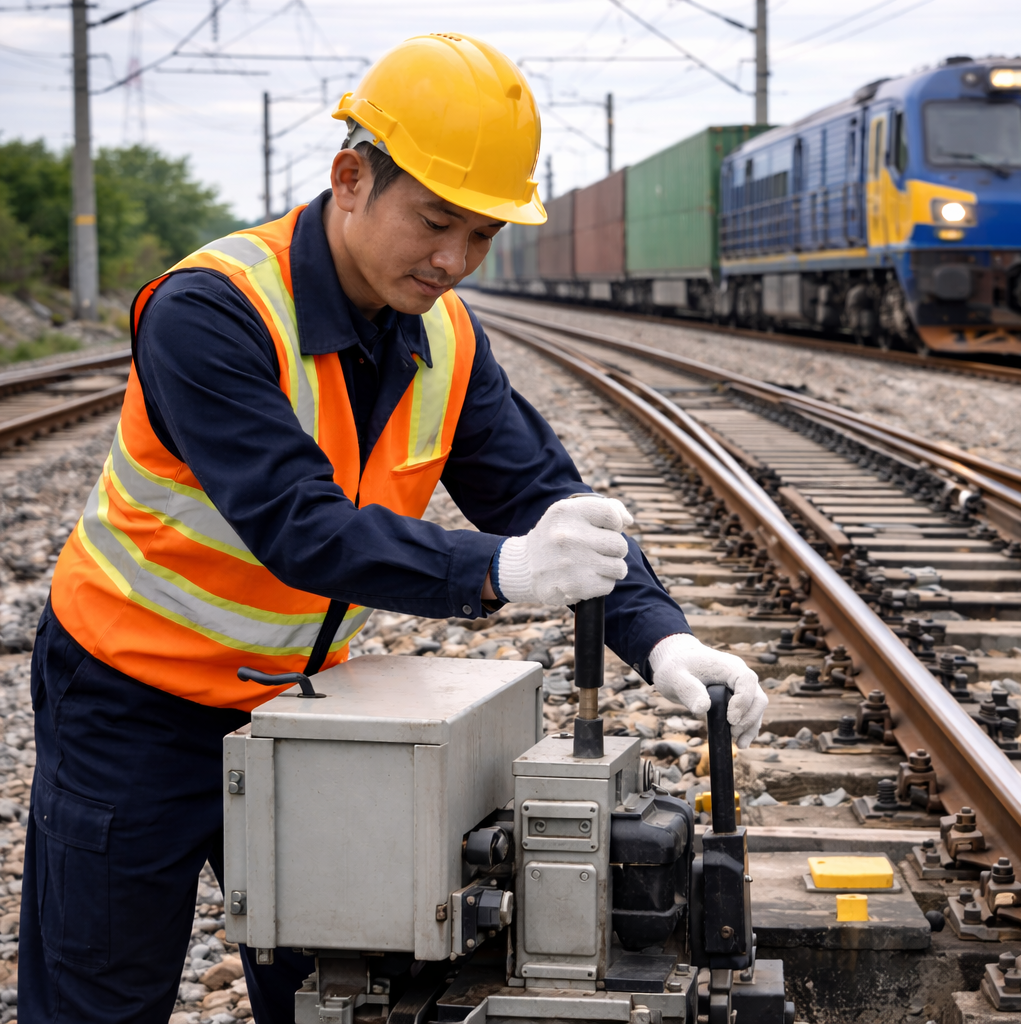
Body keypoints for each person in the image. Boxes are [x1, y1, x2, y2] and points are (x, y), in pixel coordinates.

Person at [20, 32, 767, 1024]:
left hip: (305, 709)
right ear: (350, 178)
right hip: (131, 703)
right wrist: (501, 569)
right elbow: (298, 525)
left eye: (483, 234)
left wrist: (661, 635)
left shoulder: (449, 335)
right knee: (98, 1003)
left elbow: (543, 493)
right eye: (436, 221)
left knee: (344, 993)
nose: (456, 259)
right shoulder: (211, 311)